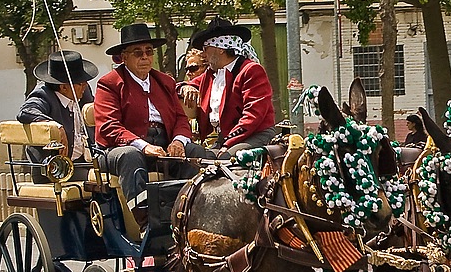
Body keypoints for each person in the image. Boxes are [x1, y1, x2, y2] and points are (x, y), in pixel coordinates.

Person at [93, 23, 213, 204]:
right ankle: (143, 218)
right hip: (117, 150)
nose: (145, 57)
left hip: (164, 146)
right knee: (130, 156)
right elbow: (109, 126)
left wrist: (178, 141)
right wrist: (143, 146)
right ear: (124, 57)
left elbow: (180, 117)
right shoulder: (109, 83)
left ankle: (192, 211)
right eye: (137, 53)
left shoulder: (165, 82)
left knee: (195, 153)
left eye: (149, 52)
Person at [180, 17, 276, 158]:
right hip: (225, 139)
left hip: (255, 135)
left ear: (220, 49)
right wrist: (185, 88)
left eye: (205, 49)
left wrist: (227, 143)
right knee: (191, 156)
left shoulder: (251, 70)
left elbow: (252, 116)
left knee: (224, 160)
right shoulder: (211, 74)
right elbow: (180, 85)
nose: (203, 55)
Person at [18, 50, 98, 181]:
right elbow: (26, 111)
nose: (85, 86)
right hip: (55, 170)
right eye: (80, 83)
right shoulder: (43, 94)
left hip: (86, 162)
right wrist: (56, 127)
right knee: (100, 180)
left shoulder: (84, 92)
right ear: (63, 87)